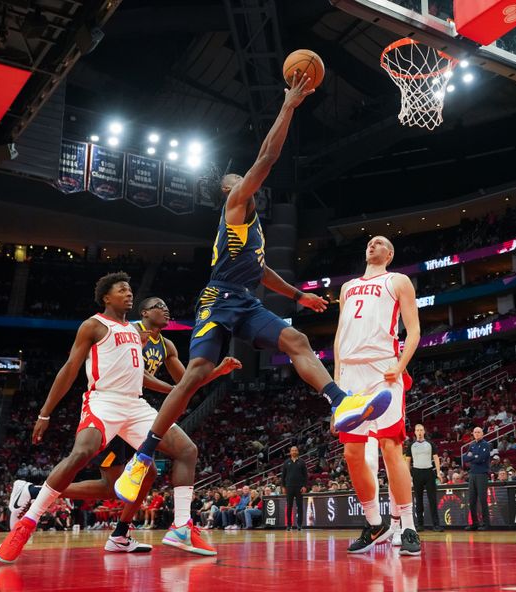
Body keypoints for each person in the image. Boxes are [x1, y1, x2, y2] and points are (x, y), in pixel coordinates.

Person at [115, 75, 391, 505]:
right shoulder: (235, 204)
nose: (246, 180)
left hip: (244, 298)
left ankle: (341, 403)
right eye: (239, 178)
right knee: (195, 376)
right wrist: (289, 106)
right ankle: (143, 456)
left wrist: (299, 297)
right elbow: (267, 155)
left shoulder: (252, 230)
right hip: (217, 297)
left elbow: (261, 272)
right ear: (231, 188)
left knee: (296, 339)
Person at [0, 273, 219, 563]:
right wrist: (45, 412)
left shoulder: (138, 333)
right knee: (83, 453)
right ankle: (29, 522)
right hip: (104, 400)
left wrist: (209, 376)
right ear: (106, 297)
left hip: (135, 406)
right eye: (122, 290)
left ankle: (180, 526)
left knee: (187, 450)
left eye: (130, 289)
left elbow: (146, 377)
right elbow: (70, 369)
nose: (129, 293)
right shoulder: (94, 325)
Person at [334, 236, 423, 555]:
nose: (372, 245)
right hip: (351, 377)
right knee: (351, 454)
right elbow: (339, 336)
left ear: (390, 253)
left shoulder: (397, 281)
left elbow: (413, 331)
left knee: (390, 447)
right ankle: (375, 524)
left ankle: (409, 526)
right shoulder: (347, 288)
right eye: (370, 242)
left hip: (383, 369)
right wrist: (336, 384)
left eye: (380, 243)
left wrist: (400, 366)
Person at [407, 424, 444, 536]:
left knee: (432, 499)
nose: (419, 432)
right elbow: (407, 461)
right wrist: (408, 475)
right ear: (414, 432)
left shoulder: (430, 444)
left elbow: (436, 458)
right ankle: (420, 525)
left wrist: (438, 472)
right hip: (417, 472)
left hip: (429, 472)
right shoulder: (411, 445)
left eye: (421, 430)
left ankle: (436, 525)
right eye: (417, 430)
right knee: (418, 500)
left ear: (424, 431)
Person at [462, 426, 490, 530]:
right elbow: (465, 458)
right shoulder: (472, 445)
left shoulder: (486, 445)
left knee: (483, 500)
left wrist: (472, 458)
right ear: (473, 434)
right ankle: (474, 523)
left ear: (482, 433)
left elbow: (482, 458)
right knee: (472, 500)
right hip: (472, 474)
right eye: (475, 432)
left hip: (482, 474)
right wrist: (475, 457)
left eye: (479, 432)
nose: (477, 434)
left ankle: (486, 524)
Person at [282, 446, 308, 531]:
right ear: (290, 452)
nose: (294, 452)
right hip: (289, 487)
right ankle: (289, 525)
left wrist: (304, 486)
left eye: (295, 450)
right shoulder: (286, 462)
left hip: (299, 487)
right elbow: (283, 476)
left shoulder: (302, 462)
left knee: (299, 506)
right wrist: (283, 486)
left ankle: (299, 525)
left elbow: (305, 475)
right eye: (292, 450)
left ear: (298, 452)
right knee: (289, 506)